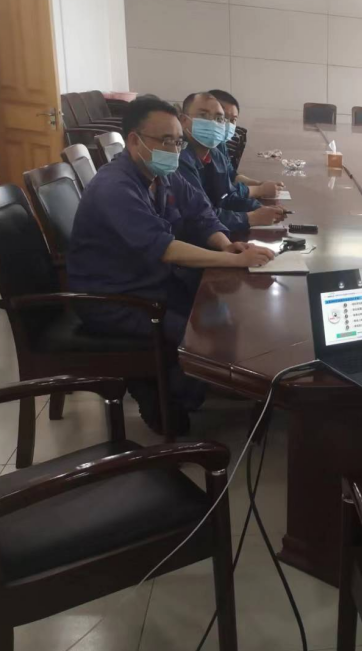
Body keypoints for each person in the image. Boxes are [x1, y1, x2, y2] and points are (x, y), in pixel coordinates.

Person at [68, 97, 276, 434]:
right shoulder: (115, 187)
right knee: (193, 331)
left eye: (179, 141)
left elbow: (200, 214)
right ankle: (159, 391)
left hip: (152, 282)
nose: (175, 149)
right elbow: (164, 248)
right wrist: (233, 259)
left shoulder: (161, 174)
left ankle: (201, 380)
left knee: (220, 308)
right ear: (134, 140)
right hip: (115, 298)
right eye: (166, 140)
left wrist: (227, 244)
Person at [178, 92, 286, 232]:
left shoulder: (215, 154)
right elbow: (199, 217)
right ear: (183, 120)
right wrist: (251, 218)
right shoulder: (179, 159)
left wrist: (259, 208)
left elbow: (227, 198)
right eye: (203, 115)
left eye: (219, 118)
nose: (212, 123)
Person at [209, 88, 283, 200]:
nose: (227, 124)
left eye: (233, 120)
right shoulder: (194, 152)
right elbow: (221, 194)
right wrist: (259, 190)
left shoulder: (219, 144)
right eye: (222, 118)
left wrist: (258, 184)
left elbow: (231, 175)